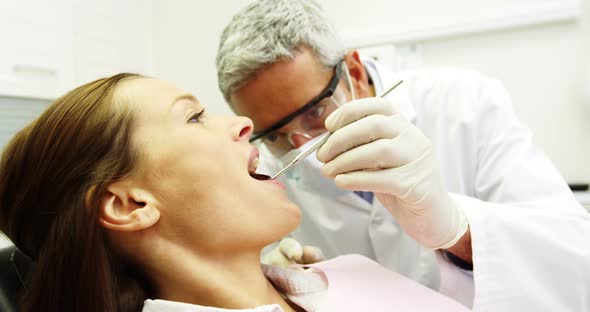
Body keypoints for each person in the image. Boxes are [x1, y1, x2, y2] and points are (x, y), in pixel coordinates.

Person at [215, 0, 590, 310]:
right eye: (277, 135)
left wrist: (458, 230)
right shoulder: (270, 177)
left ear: (355, 73)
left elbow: (572, 254)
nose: (304, 148)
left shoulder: (464, 104)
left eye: (315, 112)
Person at [0, 74, 471, 311]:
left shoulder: (347, 276)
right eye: (193, 117)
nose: (245, 125)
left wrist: (458, 233)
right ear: (130, 205)